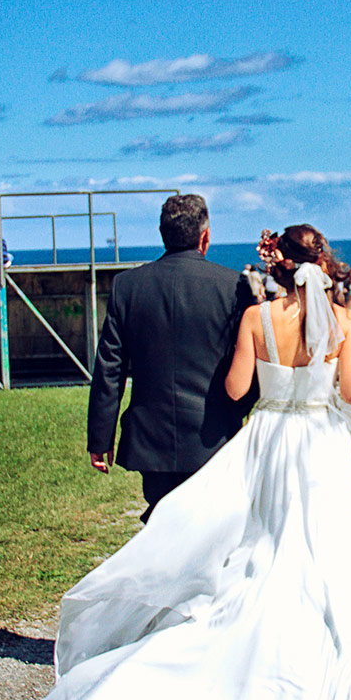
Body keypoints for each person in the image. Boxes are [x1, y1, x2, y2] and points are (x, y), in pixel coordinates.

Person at [2, 222, 351, 700]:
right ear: (322, 263)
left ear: (279, 263)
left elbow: (236, 388)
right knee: (321, 550)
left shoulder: (257, 319)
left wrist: (265, 372)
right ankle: (320, 657)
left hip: (271, 439)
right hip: (319, 446)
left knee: (263, 548)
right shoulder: (347, 323)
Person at [86, 193, 255, 523]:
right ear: (205, 236)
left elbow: (109, 369)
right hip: (216, 434)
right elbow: (250, 362)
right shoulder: (234, 286)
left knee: (163, 528)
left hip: (152, 438)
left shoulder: (127, 286)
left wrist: (100, 436)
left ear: (161, 233)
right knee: (213, 531)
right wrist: (237, 412)